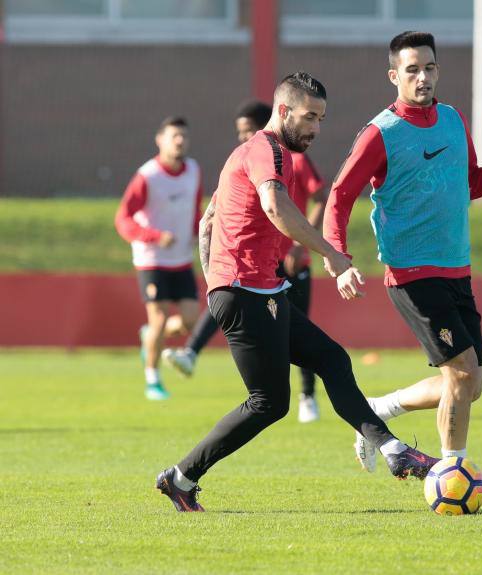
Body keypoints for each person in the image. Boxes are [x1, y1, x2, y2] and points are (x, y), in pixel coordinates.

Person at [155, 72, 438, 512]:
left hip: (257, 289)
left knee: (331, 359)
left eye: (322, 119)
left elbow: (208, 219)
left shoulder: (249, 153)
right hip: (247, 292)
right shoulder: (268, 150)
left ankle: (392, 450)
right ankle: (181, 477)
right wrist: (330, 253)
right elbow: (274, 204)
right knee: (268, 402)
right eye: (310, 117)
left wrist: (213, 278)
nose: (316, 128)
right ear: (283, 111)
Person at [323, 31, 482, 473]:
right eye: (413, 69)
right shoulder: (381, 132)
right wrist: (338, 257)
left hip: (457, 268)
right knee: (459, 374)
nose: (423, 77)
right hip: (413, 272)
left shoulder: (454, 119)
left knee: (470, 384)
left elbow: (471, 185)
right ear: (394, 75)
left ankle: (380, 410)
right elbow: (340, 195)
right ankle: (452, 475)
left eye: (430, 67)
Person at [162, 100, 329, 423]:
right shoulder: (247, 158)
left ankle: (308, 396)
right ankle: (191, 353)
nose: (243, 138)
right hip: (257, 263)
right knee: (226, 301)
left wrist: (299, 244)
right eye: (239, 133)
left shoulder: (293, 157)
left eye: (247, 131)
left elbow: (320, 195)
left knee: (304, 334)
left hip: (292, 260)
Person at [115, 116, 202, 401]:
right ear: (160, 140)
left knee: (191, 321)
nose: (180, 141)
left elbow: (194, 211)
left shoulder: (193, 171)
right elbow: (123, 219)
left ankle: (149, 335)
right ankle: (152, 379)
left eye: (184, 136)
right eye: (174, 136)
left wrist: (200, 233)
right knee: (160, 318)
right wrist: (153, 236)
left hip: (181, 259)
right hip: (151, 259)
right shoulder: (148, 175)